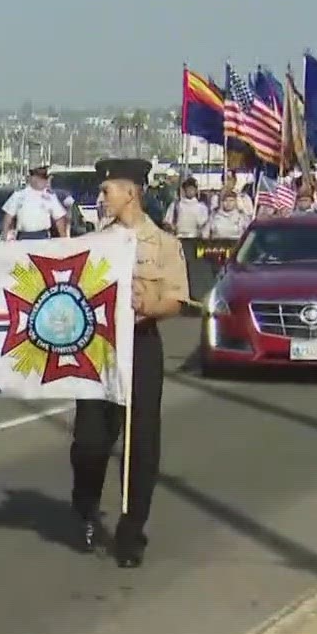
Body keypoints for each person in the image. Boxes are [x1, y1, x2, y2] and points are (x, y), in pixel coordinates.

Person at [69, 159, 188, 568]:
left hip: (141, 343)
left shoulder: (164, 244)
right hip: (99, 346)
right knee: (89, 440)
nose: (102, 199)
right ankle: (85, 508)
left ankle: (131, 529)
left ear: (130, 192)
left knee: (141, 442)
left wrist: (149, 305)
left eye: (107, 192)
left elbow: (177, 299)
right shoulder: (95, 241)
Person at [1, 166, 69, 241]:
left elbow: (59, 218)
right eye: (39, 179)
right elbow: (8, 217)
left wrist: (63, 238)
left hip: (42, 236)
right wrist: (4, 236)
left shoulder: (50, 197)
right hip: (23, 237)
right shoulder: (18, 195)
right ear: (32, 179)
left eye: (43, 179)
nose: (42, 182)